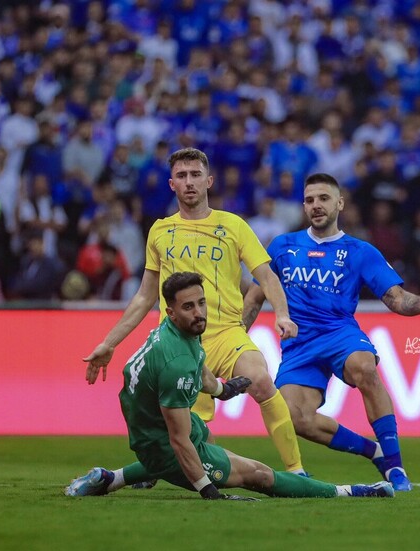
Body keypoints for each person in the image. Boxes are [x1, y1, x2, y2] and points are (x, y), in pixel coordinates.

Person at [66, 272, 393, 500]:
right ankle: (349, 491)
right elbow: (179, 442)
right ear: (171, 312)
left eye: (201, 303)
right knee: (259, 475)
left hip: (153, 426)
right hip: (161, 440)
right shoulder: (174, 363)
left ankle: (109, 479)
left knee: (203, 436)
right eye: (188, 307)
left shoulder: (178, 330)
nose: (199, 313)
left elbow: (200, 366)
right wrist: (208, 490)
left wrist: (222, 390)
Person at [84, 147, 306, 475]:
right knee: (200, 446)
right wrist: (110, 342)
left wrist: (283, 314)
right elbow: (145, 297)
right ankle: (143, 473)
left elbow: (266, 276)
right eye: (182, 176)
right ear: (172, 184)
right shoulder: (160, 231)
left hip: (227, 333)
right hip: (180, 346)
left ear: (209, 181)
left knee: (260, 379)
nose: (189, 182)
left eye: (195, 175)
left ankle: (297, 471)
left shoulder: (233, 225)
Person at [242, 173, 420, 492]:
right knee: (295, 418)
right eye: (310, 200)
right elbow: (254, 298)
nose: (317, 205)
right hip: (298, 345)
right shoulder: (282, 247)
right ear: (304, 205)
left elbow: (396, 299)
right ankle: (376, 452)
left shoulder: (360, 251)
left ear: (340, 204)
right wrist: (235, 341)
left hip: (339, 334)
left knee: (364, 367)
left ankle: (396, 466)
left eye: (324, 198)